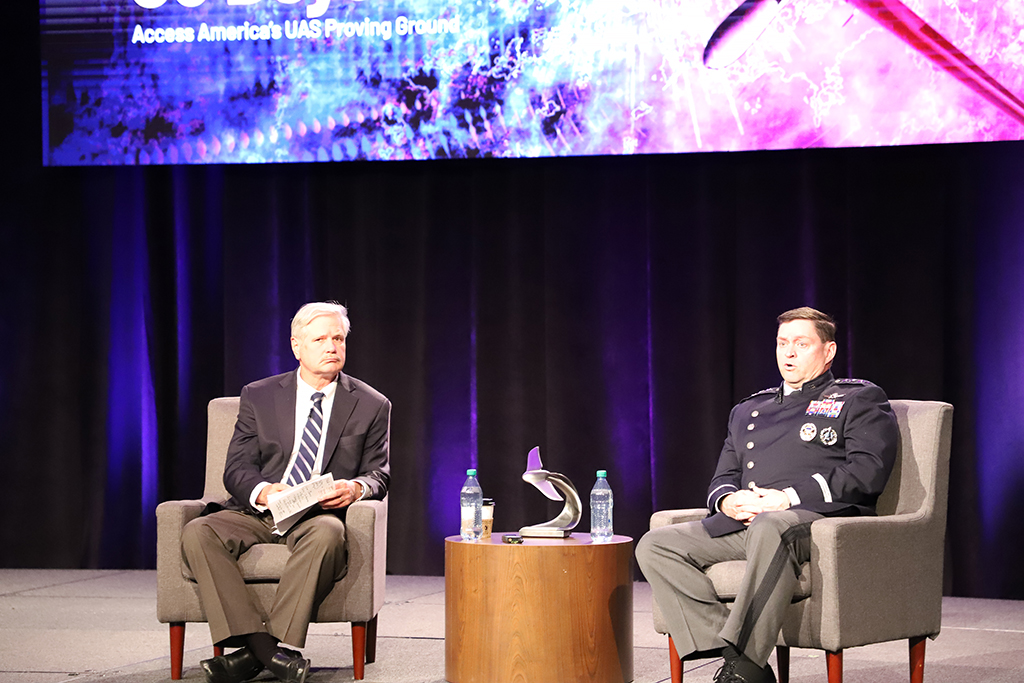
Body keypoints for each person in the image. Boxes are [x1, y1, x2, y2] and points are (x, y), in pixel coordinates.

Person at [636, 307, 898, 683]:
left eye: (801, 344)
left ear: (828, 351)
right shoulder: (749, 410)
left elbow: (866, 473)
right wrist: (728, 501)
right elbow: (724, 475)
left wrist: (787, 498)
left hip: (818, 522)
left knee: (771, 527)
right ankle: (736, 656)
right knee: (656, 545)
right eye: (782, 343)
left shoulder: (857, 398)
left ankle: (742, 667)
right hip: (751, 522)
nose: (788, 353)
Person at [181, 302, 390, 683]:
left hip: (317, 515)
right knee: (199, 531)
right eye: (321, 339)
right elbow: (237, 468)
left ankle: (255, 654)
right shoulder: (259, 396)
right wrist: (263, 492)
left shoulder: (371, 404)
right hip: (260, 511)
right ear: (297, 346)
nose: (332, 346)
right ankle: (268, 650)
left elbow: (380, 474)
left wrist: (356, 488)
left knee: (328, 534)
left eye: (339, 338)